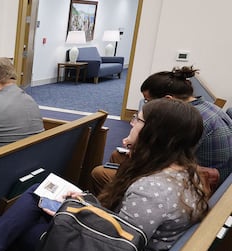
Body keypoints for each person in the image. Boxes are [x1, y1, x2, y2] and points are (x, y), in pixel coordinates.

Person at [0, 98, 209, 251]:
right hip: (122, 246)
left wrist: (75, 212)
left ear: (155, 133)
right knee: (42, 190)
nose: (131, 123)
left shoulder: (151, 191)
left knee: (28, 232)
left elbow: (116, 246)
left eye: (137, 119)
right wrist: (83, 204)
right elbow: (123, 228)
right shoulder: (185, 172)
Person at [88, 66, 232, 194]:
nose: (146, 105)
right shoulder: (205, 106)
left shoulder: (186, 120)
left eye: (148, 101)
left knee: (100, 173)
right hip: (198, 172)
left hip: (199, 185)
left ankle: (115, 214)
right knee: (117, 156)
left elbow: (162, 161)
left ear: (168, 99)